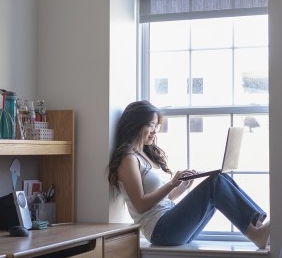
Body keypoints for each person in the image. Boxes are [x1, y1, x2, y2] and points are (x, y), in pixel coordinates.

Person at [107, 100, 271, 248]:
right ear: (135, 124)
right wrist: (172, 183)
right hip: (161, 231)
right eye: (151, 125)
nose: (154, 131)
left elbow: (164, 200)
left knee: (219, 179)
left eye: (156, 126)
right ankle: (256, 234)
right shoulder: (128, 160)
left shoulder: (145, 155)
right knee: (215, 183)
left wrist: (182, 186)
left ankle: (255, 225)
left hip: (169, 224)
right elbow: (140, 205)